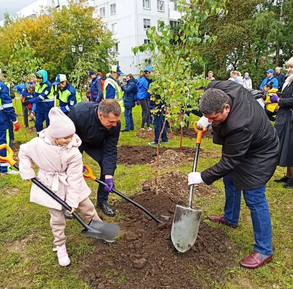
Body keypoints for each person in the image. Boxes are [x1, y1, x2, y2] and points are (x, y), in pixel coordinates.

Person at [188, 81, 279, 269]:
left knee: (254, 197)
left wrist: (203, 177)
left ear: (226, 108)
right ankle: (230, 218)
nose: (211, 121)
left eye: (214, 118)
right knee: (229, 179)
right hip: (245, 144)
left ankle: (264, 250)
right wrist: (206, 117)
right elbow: (209, 86)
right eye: (209, 118)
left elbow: (230, 161)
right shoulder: (221, 88)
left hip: (260, 152)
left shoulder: (240, 125)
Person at [18, 107, 102, 266]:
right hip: (51, 184)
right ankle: (60, 245)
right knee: (57, 218)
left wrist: (71, 202)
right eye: (65, 138)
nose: (70, 140)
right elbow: (23, 152)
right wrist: (28, 173)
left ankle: (100, 227)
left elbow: (74, 178)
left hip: (70, 181)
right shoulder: (37, 144)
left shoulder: (74, 152)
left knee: (87, 207)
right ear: (55, 135)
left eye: (72, 136)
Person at [68, 99, 121, 217]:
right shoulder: (79, 112)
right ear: (100, 115)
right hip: (75, 142)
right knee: (70, 170)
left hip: (97, 143)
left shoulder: (115, 124)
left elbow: (110, 149)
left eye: (116, 121)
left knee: (107, 166)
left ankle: (102, 201)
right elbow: (67, 139)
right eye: (111, 121)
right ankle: (69, 203)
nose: (115, 125)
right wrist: (74, 161)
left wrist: (108, 177)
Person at [271, 57, 293, 188]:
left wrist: (279, 101)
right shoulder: (289, 81)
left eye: (292, 67)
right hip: (283, 117)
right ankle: (288, 175)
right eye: (289, 67)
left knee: (290, 148)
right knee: (284, 146)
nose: (289, 70)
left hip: (290, 118)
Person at [23, 70, 54, 135]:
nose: (36, 79)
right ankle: (40, 138)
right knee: (37, 124)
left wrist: (29, 101)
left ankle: (50, 140)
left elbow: (40, 98)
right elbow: (35, 98)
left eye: (38, 77)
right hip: (40, 109)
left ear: (44, 77)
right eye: (36, 77)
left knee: (49, 125)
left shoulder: (48, 85)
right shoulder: (37, 84)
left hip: (48, 108)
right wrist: (26, 100)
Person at [0, 80, 20, 175]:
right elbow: (7, 105)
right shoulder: (2, 86)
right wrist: (14, 120)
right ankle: (5, 168)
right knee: (5, 143)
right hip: (2, 120)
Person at [137, 66, 153, 131]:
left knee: (148, 112)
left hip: (145, 96)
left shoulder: (144, 79)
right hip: (142, 97)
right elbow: (148, 89)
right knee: (146, 112)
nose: (148, 74)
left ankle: (148, 127)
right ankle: (142, 127)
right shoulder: (144, 81)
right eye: (148, 73)